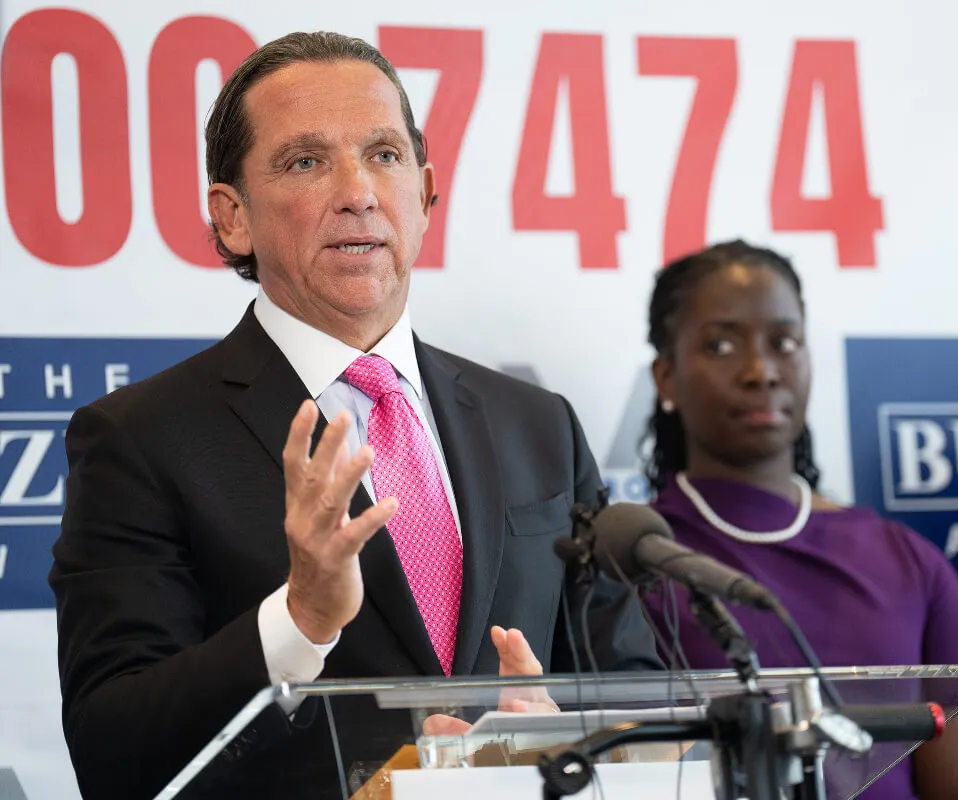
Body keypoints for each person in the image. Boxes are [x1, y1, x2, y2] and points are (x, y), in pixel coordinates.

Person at [48, 31, 660, 800]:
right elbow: (113, 750)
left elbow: (638, 690)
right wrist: (299, 618)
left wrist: (564, 735)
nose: (359, 191)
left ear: (427, 194)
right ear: (232, 217)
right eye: (307, 161)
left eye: (384, 155)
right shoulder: (140, 439)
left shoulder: (537, 425)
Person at [638, 240, 958, 800]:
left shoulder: (904, 559)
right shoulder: (634, 558)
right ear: (666, 377)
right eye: (720, 345)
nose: (761, 371)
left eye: (784, 343)